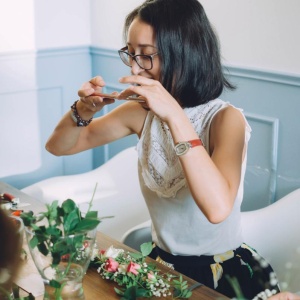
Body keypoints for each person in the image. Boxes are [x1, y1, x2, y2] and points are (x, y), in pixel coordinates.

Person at [45, 0, 281, 298]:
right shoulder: (139, 113)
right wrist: (84, 109)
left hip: (222, 274)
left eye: (145, 55)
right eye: (130, 53)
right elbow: (58, 146)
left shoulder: (225, 119)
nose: (134, 67)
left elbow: (217, 208)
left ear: (184, 54)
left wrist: (174, 114)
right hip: (160, 267)